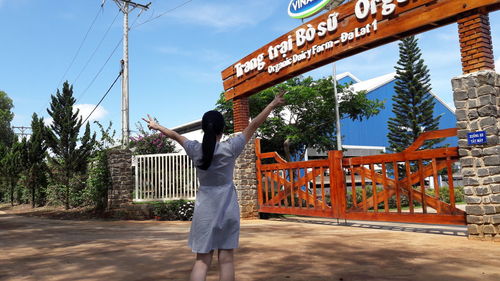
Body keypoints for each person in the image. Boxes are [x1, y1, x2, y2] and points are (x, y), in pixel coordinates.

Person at [142, 91, 286, 281]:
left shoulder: (194, 149)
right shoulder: (231, 148)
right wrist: (272, 104)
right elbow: (253, 124)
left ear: (203, 129)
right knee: (226, 259)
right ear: (222, 129)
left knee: (202, 261)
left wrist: (155, 125)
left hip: (205, 212)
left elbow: (175, 135)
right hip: (228, 210)